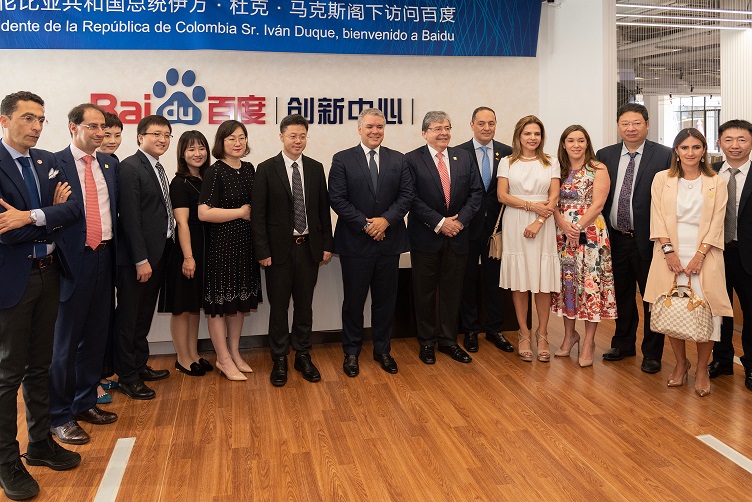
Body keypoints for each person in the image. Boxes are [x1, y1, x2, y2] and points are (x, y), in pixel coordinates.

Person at [0, 91, 81, 501]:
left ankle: (40, 444)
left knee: (40, 366)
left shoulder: (47, 161)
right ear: (4, 120)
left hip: (49, 274)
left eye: (41, 119)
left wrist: (30, 217)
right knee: (7, 375)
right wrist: (49, 217)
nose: (36, 126)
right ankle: (6, 462)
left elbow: (75, 210)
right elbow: (5, 231)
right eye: (28, 118)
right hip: (12, 282)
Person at [49, 104, 119, 447]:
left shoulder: (109, 164)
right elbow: (47, 213)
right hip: (71, 262)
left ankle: (84, 402)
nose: (99, 133)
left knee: (95, 336)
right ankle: (59, 416)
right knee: (65, 343)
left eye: (102, 127)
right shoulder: (53, 164)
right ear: (73, 127)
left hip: (105, 257)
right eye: (92, 126)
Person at [644, 128, 732, 396]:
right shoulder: (662, 179)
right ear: (676, 151)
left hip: (706, 253)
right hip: (669, 252)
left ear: (704, 150)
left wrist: (700, 255)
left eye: (696, 147)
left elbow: (717, 222)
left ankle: (702, 368)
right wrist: (669, 252)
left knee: (707, 310)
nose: (690, 152)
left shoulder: (716, 181)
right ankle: (681, 363)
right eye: (685, 147)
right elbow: (657, 216)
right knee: (672, 306)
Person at [328, 108, 413, 377]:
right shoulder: (342, 159)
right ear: (359, 129)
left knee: (385, 301)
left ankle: (382, 350)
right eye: (370, 127)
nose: (375, 131)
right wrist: (367, 225)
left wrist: (385, 221)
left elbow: (407, 196)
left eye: (380, 127)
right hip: (355, 244)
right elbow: (337, 198)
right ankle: (351, 351)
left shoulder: (398, 159)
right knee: (354, 301)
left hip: (389, 242)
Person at [251, 114, 333, 387]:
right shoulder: (266, 169)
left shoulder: (315, 168)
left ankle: (303, 355)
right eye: (292, 136)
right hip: (278, 252)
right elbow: (258, 215)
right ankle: (279, 358)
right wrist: (262, 250)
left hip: (309, 248)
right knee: (279, 307)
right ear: (282, 137)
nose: (298, 141)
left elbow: (323, 210)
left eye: (302, 136)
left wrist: (327, 244)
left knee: (304, 305)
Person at [597, 103, 672, 374]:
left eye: (637, 123)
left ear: (647, 125)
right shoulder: (604, 155)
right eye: (625, 124)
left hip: (649, 240)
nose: (631, 128)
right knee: (621, 294)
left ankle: (652, 353)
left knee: (652, 297)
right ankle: (623, 344)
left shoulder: (664, 155)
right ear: (618, 126)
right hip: (615, 238)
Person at [406, 111, 483, 365]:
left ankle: (449, 341)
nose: (443, 133)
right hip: (425, 237)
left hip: (458, 236)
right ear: (424, 133)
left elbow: (476, 193)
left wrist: (459, 222)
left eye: (447, 128)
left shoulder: (464, 157)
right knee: (424, 293)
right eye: (437, 128)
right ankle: (427, 342)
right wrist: (440, 223)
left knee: (453, 292)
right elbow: (410, 197)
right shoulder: (411, 159)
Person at [114, 115, 174, 400]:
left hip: (157, 254)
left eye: (167, 135)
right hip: (138, 260)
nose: (162, 139)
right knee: (128, 318)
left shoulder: (157, 166)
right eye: (156, 134)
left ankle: (139, 365)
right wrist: (140, 259)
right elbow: (130, 218)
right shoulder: (130, 167)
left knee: (143, 315)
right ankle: (127, 377)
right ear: (140, 137)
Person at [198, 121, 261, 381]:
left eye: (242, 137)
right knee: (220, 306)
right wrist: (240, 212)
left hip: (246, 246)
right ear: (221, 142)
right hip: (222, 247)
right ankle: (222, 359)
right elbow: (204, 213)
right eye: (231, 138)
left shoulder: (249, 169)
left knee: (237, 304)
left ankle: (234, 353)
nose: (238, 143)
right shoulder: (214, 172)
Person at [551, 125, 617, 367]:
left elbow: (598, 204)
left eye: (581, 140)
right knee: (568, 284)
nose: (576, 145)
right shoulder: (557, 168)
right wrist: (562, 224)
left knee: (590, 285)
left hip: (590, 235)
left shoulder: (598, 168)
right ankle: (570, 336)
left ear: (587, 143)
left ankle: (589, 342)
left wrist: (577, 227)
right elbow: (552, 201)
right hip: (562, 234)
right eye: (571, 140)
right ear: (564, 144)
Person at [497, 115, 561, 362]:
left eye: (537, 134)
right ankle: (523, 332)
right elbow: (502, 196)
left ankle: (542, 334)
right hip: (515, 221)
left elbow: (553, 196)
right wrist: (531, 206)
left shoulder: (551, 162)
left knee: (543, 282)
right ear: (519, 136)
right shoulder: (507, 162)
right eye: (528, 133)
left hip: (543, 222)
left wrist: (539, 220)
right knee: (520, 281)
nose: (532, 138)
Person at [457, 106, 515, 354]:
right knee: (467, 279)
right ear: (472, 125)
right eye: (481, 123)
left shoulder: (508, 153)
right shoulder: (458, 153)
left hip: (496, 230)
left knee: (495, 280)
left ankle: (494, 328)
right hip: (467, 228)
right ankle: (470, 330)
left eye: (491, 123)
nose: (486, 128)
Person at [159, 131, 213, 377]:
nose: (197, 153)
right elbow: (182, 222)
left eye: (201, 148)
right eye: (191, 149)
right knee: (181, 308)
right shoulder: (179, 183)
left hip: (203, 249)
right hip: (185, 250)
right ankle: (182, 358)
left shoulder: (207, 179)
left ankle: (193, 353)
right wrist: (188, 257)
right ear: (182, 154)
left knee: (193, 306)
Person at [709, 119, 752, 391]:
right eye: (729, 139)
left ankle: (751, 366)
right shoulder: (708, 172)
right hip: (715, 252)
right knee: (718, 311)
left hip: (748, 255)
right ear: (719, 143)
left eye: (742, 139)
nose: (735, 145)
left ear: (751, 143)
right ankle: (722, 360)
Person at [95, 111, 124, 405]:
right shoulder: (76, 164)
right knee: (87, 321)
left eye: (117, 135)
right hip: (88, 252)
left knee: (105, 316)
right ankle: (90, 382)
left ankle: (102, 373)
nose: (111, 140)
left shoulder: (113, 163)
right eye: (106, 134)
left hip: (111, 251)